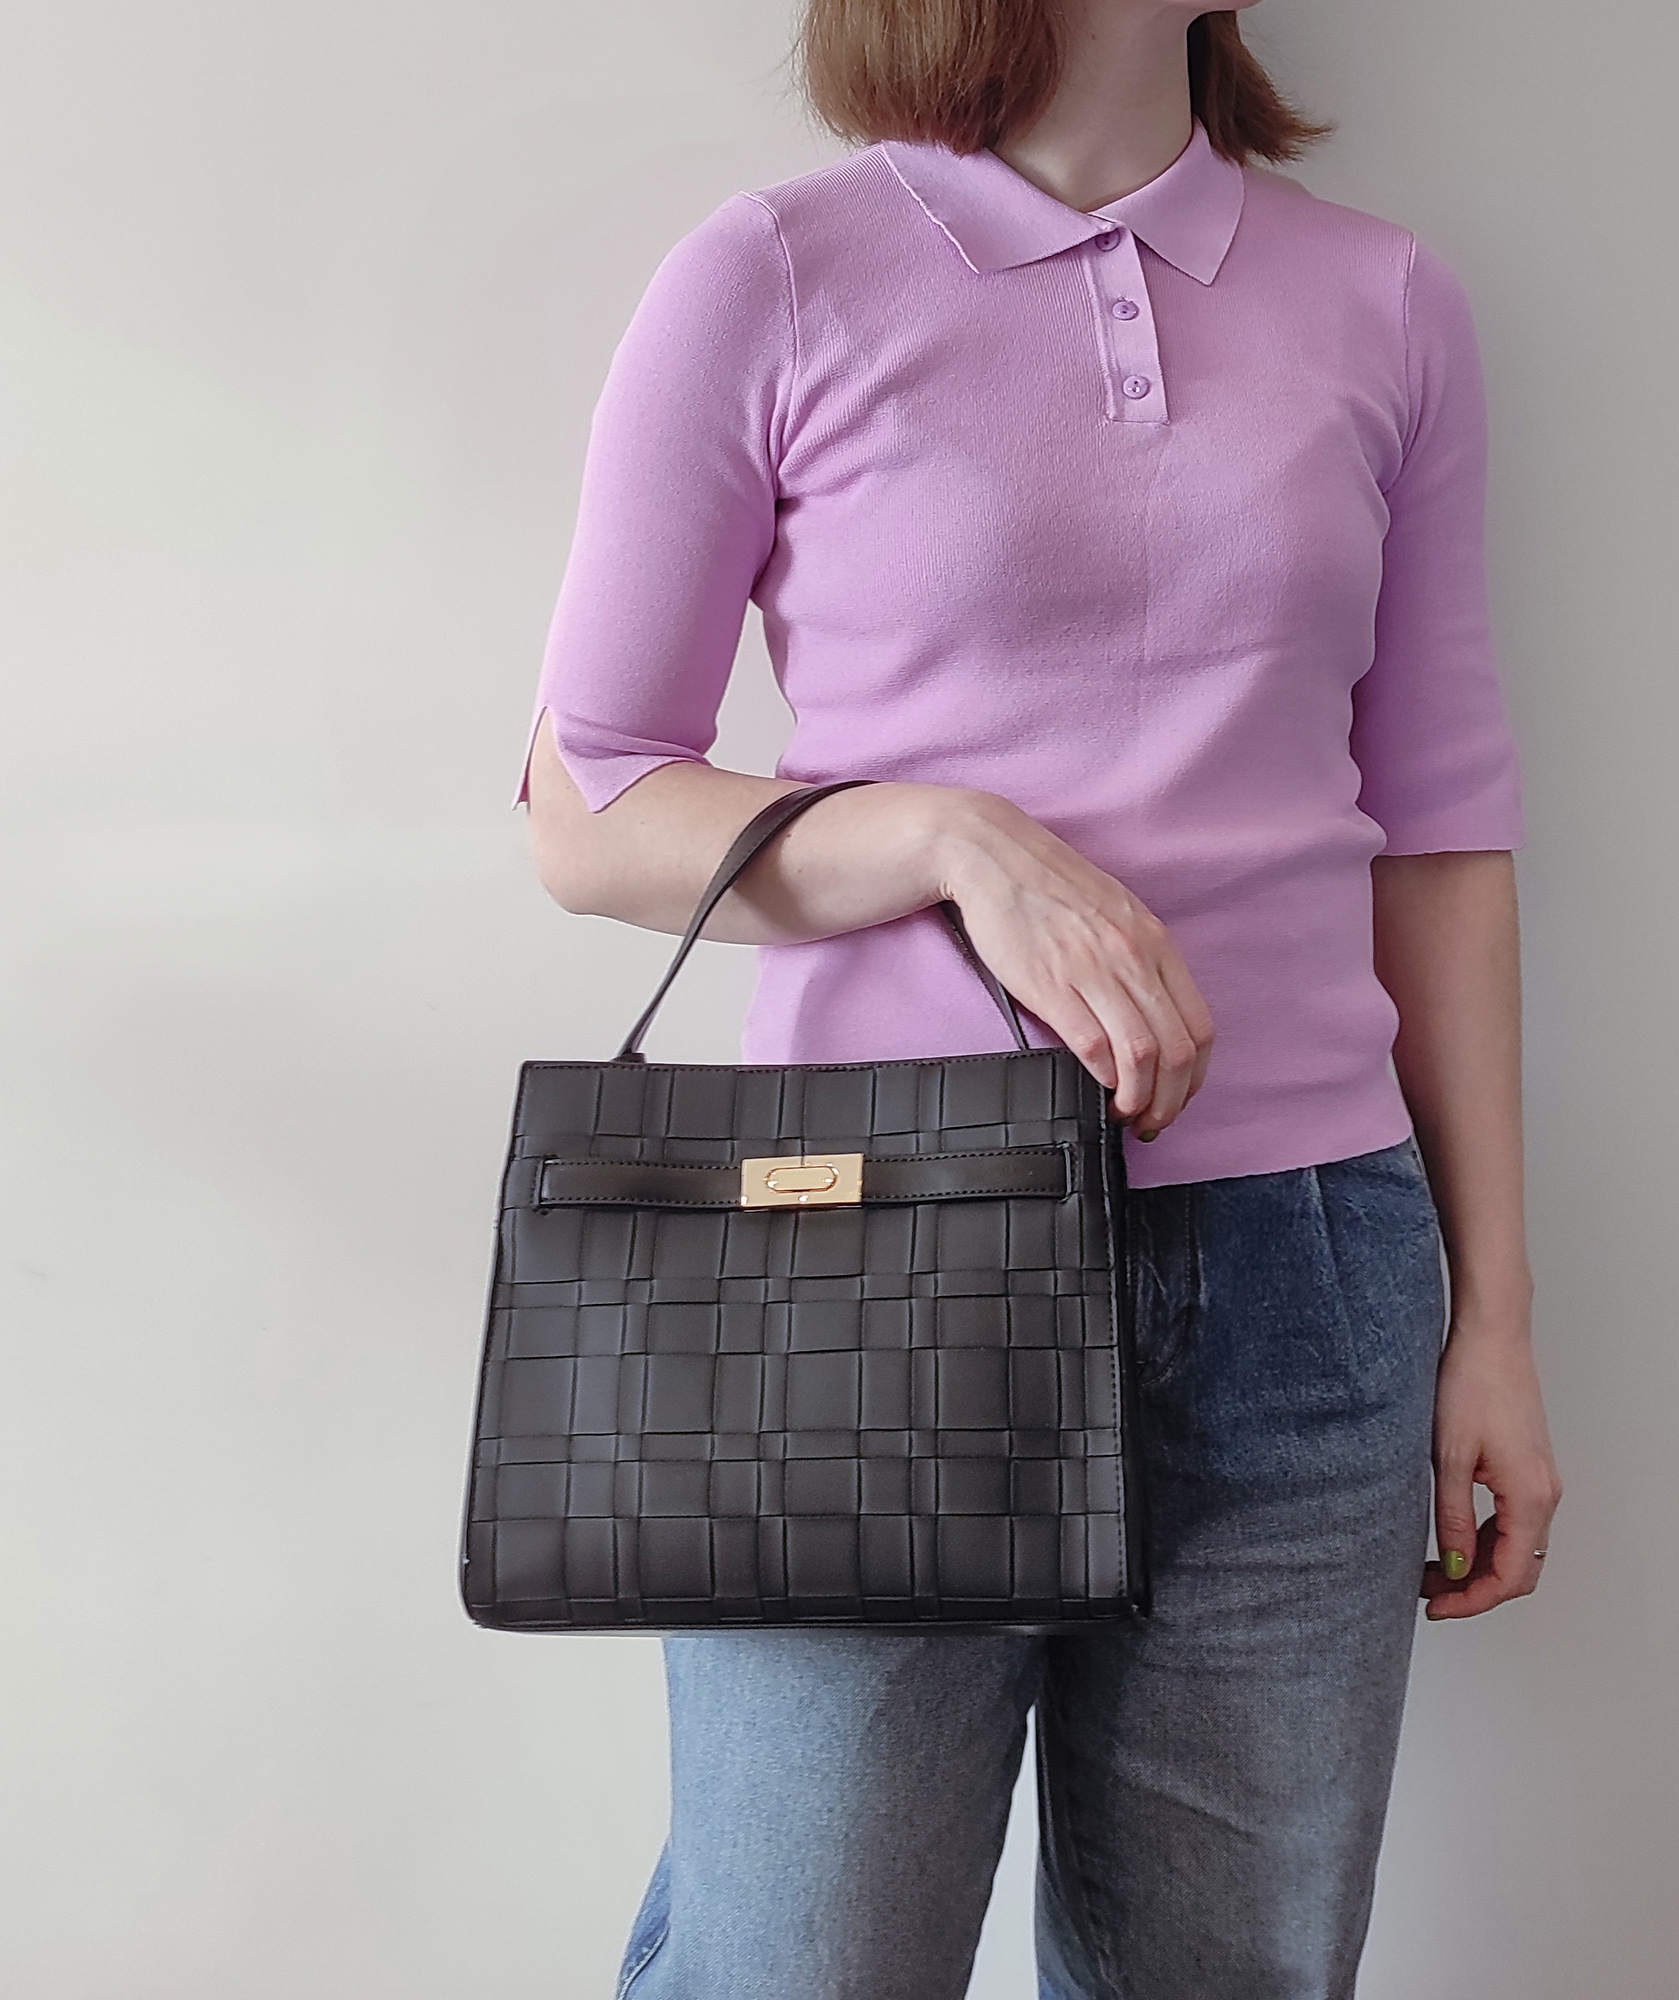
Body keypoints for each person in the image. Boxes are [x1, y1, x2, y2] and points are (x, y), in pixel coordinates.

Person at [512, 3, 1562, 1994]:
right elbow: (590, 802)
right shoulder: (775, 273)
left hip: (1308, 1276)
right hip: (864, 1254)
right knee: (797, 1966)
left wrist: (1494, 1321)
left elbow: (1437, 833)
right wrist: (940, 839)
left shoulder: (1388, 303)